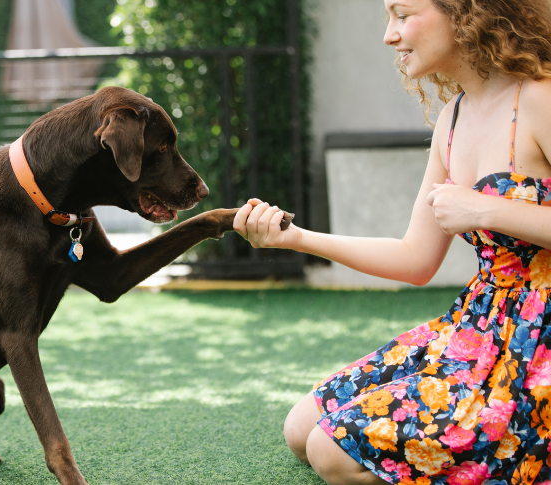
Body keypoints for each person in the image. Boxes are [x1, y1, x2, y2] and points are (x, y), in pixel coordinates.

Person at [232, 0, 551, 484]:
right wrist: (295, 238)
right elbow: (415, 258)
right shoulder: (453, 118)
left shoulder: (540, 99)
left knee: (331, 452)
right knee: (301, 429)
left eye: (402, 14)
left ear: (466, 11)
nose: (389, 35)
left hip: (538, 345)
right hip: (481, 327)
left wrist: (487, 209)